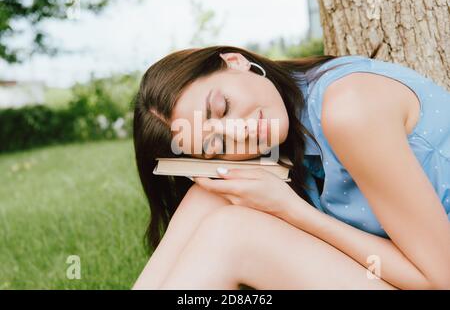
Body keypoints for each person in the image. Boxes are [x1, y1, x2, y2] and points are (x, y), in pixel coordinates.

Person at [131, 45, 450, 289]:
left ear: (235, 62)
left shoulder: (348, 108)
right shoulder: (289, 125)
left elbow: (440, 278)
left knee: (232, 232)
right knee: (212, 192)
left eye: (222, 107)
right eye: (216, 147)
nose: (238, 133)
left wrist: (290, 209)